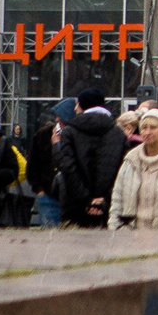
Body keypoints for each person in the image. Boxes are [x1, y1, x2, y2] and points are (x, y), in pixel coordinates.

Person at [55, 89, 125, 228]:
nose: (75, 109)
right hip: (109, 207)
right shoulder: (118, 133)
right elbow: (121, 170)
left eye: (77, 104)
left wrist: (87, 199)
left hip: (74, 206)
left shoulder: (70, 131)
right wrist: (102, 199)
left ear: (83, 105)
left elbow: (68, 167)